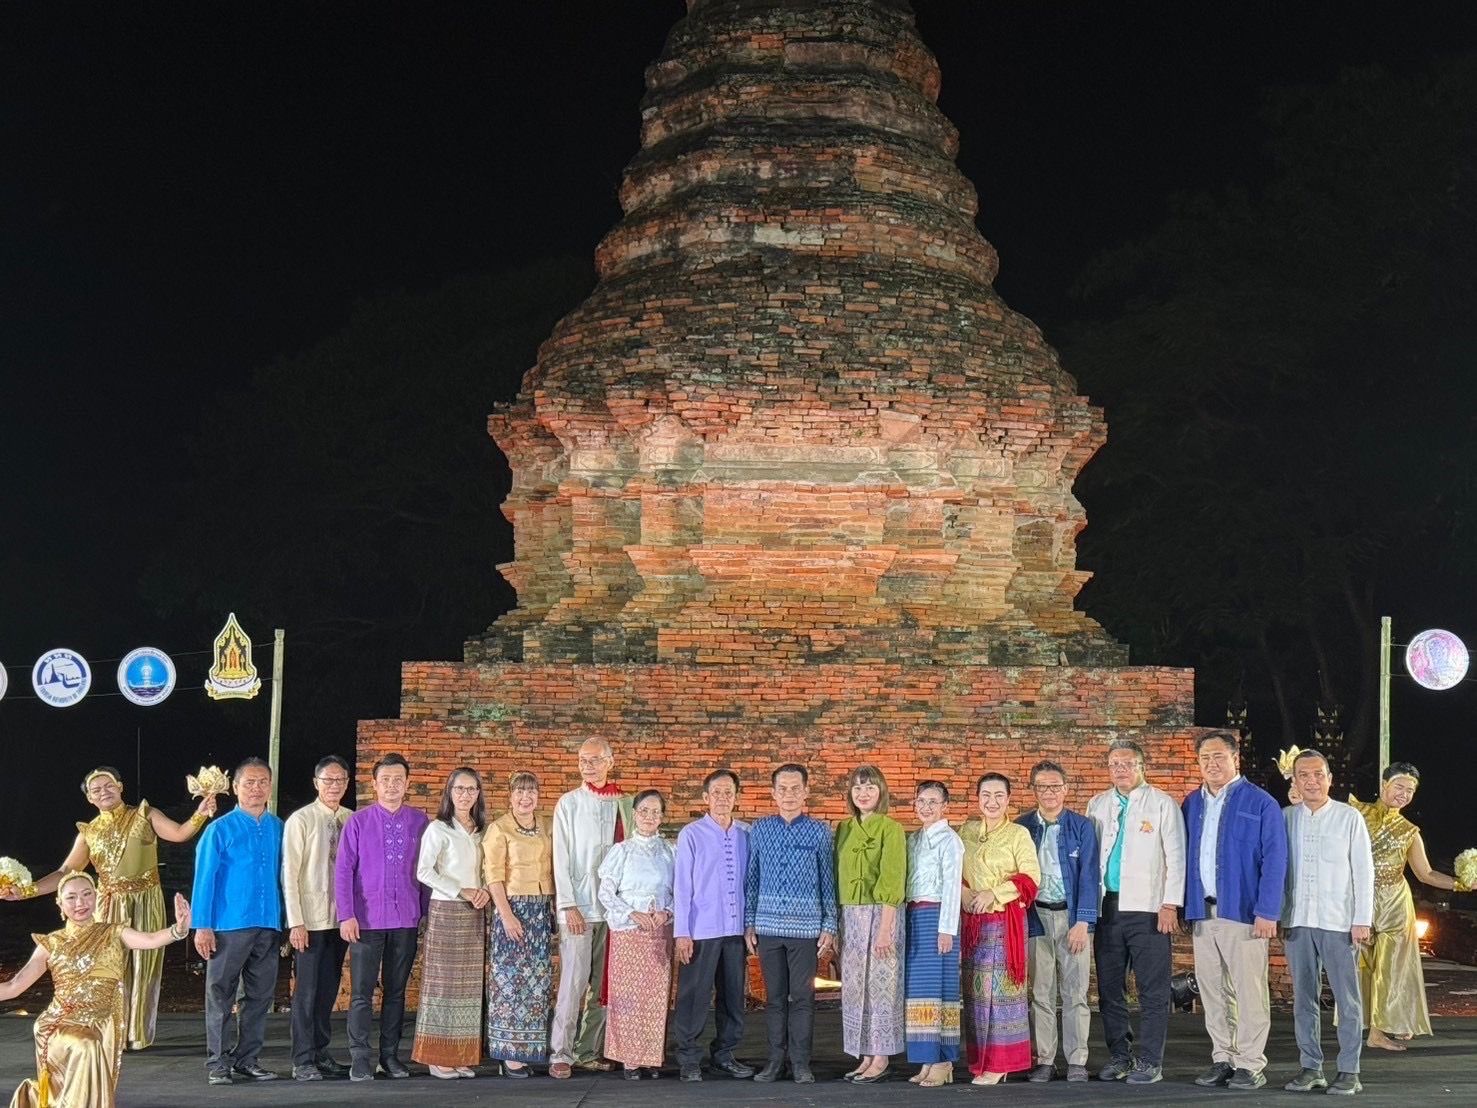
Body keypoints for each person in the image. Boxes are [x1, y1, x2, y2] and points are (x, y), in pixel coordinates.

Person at [4, 767, 216, 1051]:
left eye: (109, 786)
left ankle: (137, 1034)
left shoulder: (144, 815)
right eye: (96, 789)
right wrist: (27, 891)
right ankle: (109, 1029)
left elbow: (179, 834)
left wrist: (200, 813)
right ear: (90, 799)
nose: (103, 792)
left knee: (144, 965)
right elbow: (65, 871)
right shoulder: (88, 832)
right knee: (107, 967)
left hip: (144, 899)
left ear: (120, 786)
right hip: (108, 903)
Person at [0, 872, 192, 1108]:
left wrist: (179, 929)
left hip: (104, 1023)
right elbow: (14, 986)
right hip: (61, 1023)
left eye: (86, 894)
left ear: (97, 897)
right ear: (60, 904)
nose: (80, 903)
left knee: (88, 1073)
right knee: (86, 1046)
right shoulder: (52, 942)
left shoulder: (114, 932)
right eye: (71, 898)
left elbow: (151, 940)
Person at [1181, 730, 1287, 1091]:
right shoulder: (1192, 804)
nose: (1211, 764)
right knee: (1212, 992)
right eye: (1205, 758)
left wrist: (1268, 911)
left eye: (1218, 757)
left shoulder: (1260, 803)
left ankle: (1250, 1063)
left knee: (1248, 990)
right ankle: (1223, 1058)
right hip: (1202, 913)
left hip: (1243, 914)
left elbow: (1275, 860)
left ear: (1235, 758)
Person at [1086, 739, 1185, 1085]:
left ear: (1142, 767)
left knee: (1152, 990)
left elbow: (1176, 857)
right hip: (1107, 908)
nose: (1120, 770)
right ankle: (1119, 1056)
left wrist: (1169, 903)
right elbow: (1090, 860)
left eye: (1127, 764)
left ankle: (1149, 1061)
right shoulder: (1097, 804)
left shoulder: (1162, 804)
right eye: (1114, 764)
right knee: (1111, 989)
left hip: (1149, 909)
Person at [1281, 749, 1374, 1096]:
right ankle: (1311, 1067)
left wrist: (1361, 919)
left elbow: (1364, 872)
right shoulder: (1286, 817)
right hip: (1297, 919)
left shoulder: (1349, 818)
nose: (1312, 781)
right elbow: (1278, 869)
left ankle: (1349, 1070)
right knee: (1303, 998)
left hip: (1339, 921)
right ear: (1294, 781)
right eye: (1304, 775)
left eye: (1319, 774)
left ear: (1330, 779)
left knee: (1346, 1000)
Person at [1350, 763, 1461, 1052]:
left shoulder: (1409, 830)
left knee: (1392, 967)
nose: (1404, 794)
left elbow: (1426, 874)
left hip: (1395, 903)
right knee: (1361, 965)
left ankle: (1380, 1029)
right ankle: (1364, 1022)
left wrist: (1464, 884)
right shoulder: (1355, 813)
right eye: (1399, 786)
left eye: (1410, 791)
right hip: (1359, 898)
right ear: (1384, 783)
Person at [335, 752, 429, 1082]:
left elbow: (427, 872)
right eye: (385, 780)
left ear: (407, 784)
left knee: (397, 992)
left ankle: (389, 1056)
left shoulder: (420, 822)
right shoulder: (358, 822)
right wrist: (346, 914)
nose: (391, 786)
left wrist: (425, 913)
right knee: (361, 992)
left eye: (398, 780)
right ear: (374, 784)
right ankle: (360, 1057)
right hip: (366, 921)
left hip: (405, 919)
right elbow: (343, 870)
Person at [191, 757, 285, 1086]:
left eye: (262, 782)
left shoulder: (277, 827)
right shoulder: (219, 829)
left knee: (259, 997)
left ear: (270, 786)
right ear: (235, 787)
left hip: (268, 922)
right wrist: (202, 925)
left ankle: (248, 1060)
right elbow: (204, 879)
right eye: (249, 782)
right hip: (229, 925)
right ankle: (218, 1064)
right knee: (221, 994)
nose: (256, 788)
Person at [745, 763, 838, 1085]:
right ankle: (774, 1061)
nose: (789, 795)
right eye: (782, 789)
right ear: (773, 793)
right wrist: (749, 923)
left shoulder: (819, 832)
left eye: (795, 788)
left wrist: (830, 925)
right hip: (768, 928)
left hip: (806, 931)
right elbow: (752, 879)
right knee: (773, 998)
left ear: (806, 792)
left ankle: (800, 1063)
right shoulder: (759, 830)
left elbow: (829, 882)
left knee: (802, 997)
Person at [549, 737, 633, 1079]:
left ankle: (587, 1050)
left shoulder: (626, 805)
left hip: (614, 912)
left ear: (609, 761)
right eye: (583, 759)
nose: (588, 765)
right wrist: (568, 903)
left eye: (595, 759)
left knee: (603, 986)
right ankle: (561, 1053)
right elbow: (560, 857)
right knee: (572, 982)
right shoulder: (568, 803)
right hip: (580, 909)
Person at [1016, 759, 1099, 1084]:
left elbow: (1091, 875)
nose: (1049, 792)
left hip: (1071, 918)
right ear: (1034, 790)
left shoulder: (1082, 826)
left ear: (1065, 789)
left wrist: (1083, 922)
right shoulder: (1022, 827)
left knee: (1076, 992)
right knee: (1041, 992)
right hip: (1036, 917)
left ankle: (1077, 1060)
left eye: (1055, 786)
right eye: (1042, 786)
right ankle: (1045, 1060)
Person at [672, 769, 754, 1083]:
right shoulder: (691, 834)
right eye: (716, 792)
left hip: (734, 931)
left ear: (736, 797)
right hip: (700, 930)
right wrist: (682, 932)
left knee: (733, 996)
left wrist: (750, 925)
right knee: (693, 996)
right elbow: (681, 886)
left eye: (728, 792)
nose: (722, 798)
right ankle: (689, 1058)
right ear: (706, 797)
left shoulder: (746, 833)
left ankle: (724, 1054)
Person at [958, 772, 1039, 1085]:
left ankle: (1002, 1063)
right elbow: (955, 870)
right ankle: (979, 1060)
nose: (991, 801)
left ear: (1008, 799)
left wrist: (994, 893)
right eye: (986, 795)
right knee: (976, 994)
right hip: (973, 923)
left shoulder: (1017, 834)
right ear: (978, 798)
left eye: (998, 795)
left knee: (1002, 994)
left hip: (1004, 922)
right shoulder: (966, 830)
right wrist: (965, 894)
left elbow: (1031, 878)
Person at [412, 767, 490, 1079]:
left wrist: (483, 891)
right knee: (442, 985)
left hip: (474, 912)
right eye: (459, 788)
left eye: (471, 789)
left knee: (468, 989)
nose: (465, 794)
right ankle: (436, 1056)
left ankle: (460, 1055)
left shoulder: (483, 829)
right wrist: (461, 890)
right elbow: (424, 871)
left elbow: (486, 869)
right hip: (446, 910)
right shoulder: (438, 829)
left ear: (478, 793)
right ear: (449, 792)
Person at [281, 755, 352, 1082]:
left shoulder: (352, 819)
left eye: (339, 780)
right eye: (328, 780)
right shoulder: (302, 819)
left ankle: (321, 1052)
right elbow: (289, 873)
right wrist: (296, 921)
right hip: (310, 920)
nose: (334, 786)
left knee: (328, 991)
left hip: (341, 920)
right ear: (316, 783)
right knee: (306, 993)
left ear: (347, 784)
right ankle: (302, 1059)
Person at [598, 789, 677, 1079]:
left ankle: (651, 1058)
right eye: (643, 810)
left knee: (654, 998)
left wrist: (667, 912)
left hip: (659, 930)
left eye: (655, 811)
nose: (649, 817)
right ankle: (630, 1059)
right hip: (629, 930)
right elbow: (605, 892)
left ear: (661, 816)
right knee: (628, 997)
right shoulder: (622, 850)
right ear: (634, 813)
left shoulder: (671, 851)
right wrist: (632, 913)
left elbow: (681, 892)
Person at [835, 764, 906, 1084]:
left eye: (870, 787)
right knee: (854, 988)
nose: (863, 793)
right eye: (857, 788)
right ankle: (863, 1052)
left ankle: (881, 1055)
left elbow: (893, 877)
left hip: (881, 912)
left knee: (882, 986)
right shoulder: (844, 828)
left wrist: (885, 927)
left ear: (881, 792)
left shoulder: (891, 828)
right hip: (851, 915)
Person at [483, 771, 555, 1077]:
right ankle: (508, 1054)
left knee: (536, 984)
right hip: (512, 909)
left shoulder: (547, 825)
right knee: (510, 984)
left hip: (541, 910)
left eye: (531, 792)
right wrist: (507, 915)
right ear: (509, 796)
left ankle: (529, 1050)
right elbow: (493, 875)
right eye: (519, 792)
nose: (526, 798)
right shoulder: (499, 829)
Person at [903, 779, 964, 1088]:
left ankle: (944, 1059)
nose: (926, 807)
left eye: (933, 801)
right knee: (918, 992)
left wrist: (947, 930)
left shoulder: (950, 840)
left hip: (938, 917)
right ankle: (928, 1058)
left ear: (945, 807)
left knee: (941, 989)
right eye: (921, 801)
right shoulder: (913, 839)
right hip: (914, 917)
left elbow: (953, 886)